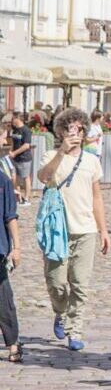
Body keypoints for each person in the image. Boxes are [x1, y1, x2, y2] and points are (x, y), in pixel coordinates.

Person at [37, 106, 110, 352]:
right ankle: (60, 312)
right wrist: (61, 152)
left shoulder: (91, 161)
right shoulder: (50, 155)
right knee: (56, 283)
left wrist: (103, 230)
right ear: (61, 130)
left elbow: (97, 198)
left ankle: (74, 328)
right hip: (57, 231)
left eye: (79, 129)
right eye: (69, 128)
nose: (74, 133)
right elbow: (44, 177)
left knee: (80, 284)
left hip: (85, 230)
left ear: (85, 131)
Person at [0, 150, 20, 363]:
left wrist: (17, 247)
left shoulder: (3, 181)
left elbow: (10, 216)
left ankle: (13, 342)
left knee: (3, 297)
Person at [7, 112, 33, 205]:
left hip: (24, 158)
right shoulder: (15, 130)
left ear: (18, 119)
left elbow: (26, 145)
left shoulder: (26, 130)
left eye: (13, 118)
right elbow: (13, 143)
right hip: (15, 158)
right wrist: (11, 151)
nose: (12, 120)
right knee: (15, 178)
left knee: (26, 177)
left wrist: (14, 153)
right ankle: (19, 197)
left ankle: (26, 198)